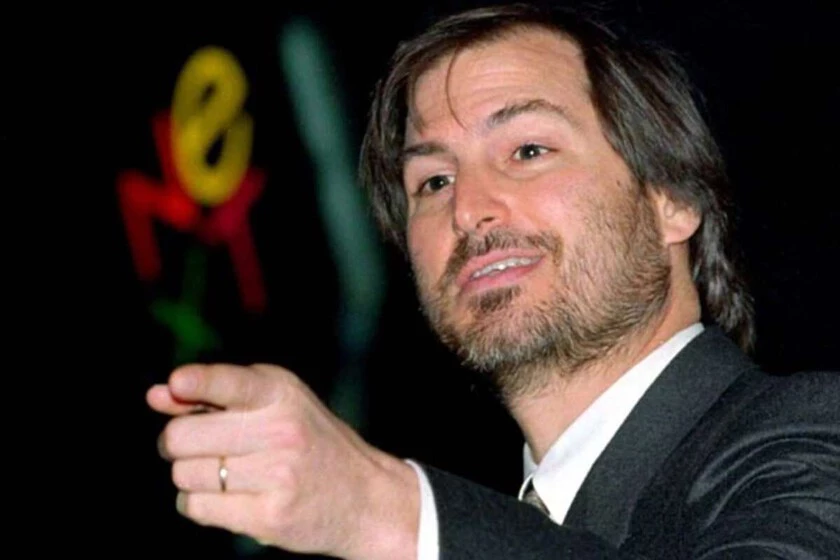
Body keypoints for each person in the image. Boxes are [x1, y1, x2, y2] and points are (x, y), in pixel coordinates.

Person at [147, 3, 840, 558]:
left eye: (529, 150)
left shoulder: (814, 435)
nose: (468, 208)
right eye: (433, 181)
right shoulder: (497, 527)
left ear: (672, 201)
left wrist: (385, 511)